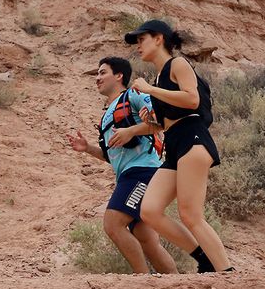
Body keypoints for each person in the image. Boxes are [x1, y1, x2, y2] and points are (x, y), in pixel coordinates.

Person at [67, 57, 214, 274]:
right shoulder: (107, 115)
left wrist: (139, 125)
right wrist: (88, 148)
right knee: (146, 238)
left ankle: (141, 278)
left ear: (119, 76)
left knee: (113, 223)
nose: (97, 78)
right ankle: (174, 285)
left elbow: (159, 122)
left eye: (102, 73)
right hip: (129, 174)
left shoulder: (134, 96)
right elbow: (114, 156)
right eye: (96, 75)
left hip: (143, 172)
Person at [126, 20, 233, 272]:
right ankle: (205, 259)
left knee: (191, 215)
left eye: (142, 39)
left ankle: (227, 273)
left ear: (159, 39)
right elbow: (164, 124)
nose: (138, 46)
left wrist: (149, 89)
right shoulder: (160, 77)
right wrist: (149, 121)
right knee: (150, 210)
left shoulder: (178, 64)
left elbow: (192, 99)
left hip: (192, 139)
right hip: (174, 144)